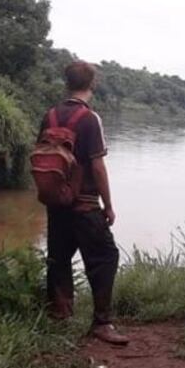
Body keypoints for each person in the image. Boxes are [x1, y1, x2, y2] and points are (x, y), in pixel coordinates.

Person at [40, 61, 128, 346]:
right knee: (105, 257)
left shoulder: (50, 115)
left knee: (58, 259)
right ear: (93, 84)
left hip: (56, 203)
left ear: (66, 83)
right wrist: (109, 205)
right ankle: (102, 323)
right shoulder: (90, 119)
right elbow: (98, 167)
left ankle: (58, 315)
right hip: (85, 205)